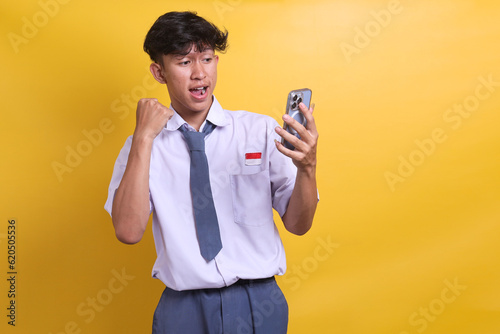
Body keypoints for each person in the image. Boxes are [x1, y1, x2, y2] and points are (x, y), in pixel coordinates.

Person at [104, 11, 318, 334]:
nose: (199, 73)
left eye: (206, 58)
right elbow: (128, 231)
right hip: (183, 310)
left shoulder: (258, 131)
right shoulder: (142, 147)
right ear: (158, 72)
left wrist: (307, 168)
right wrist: (144, 138)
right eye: (184, 62)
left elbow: (299, 224)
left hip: (259, 302)